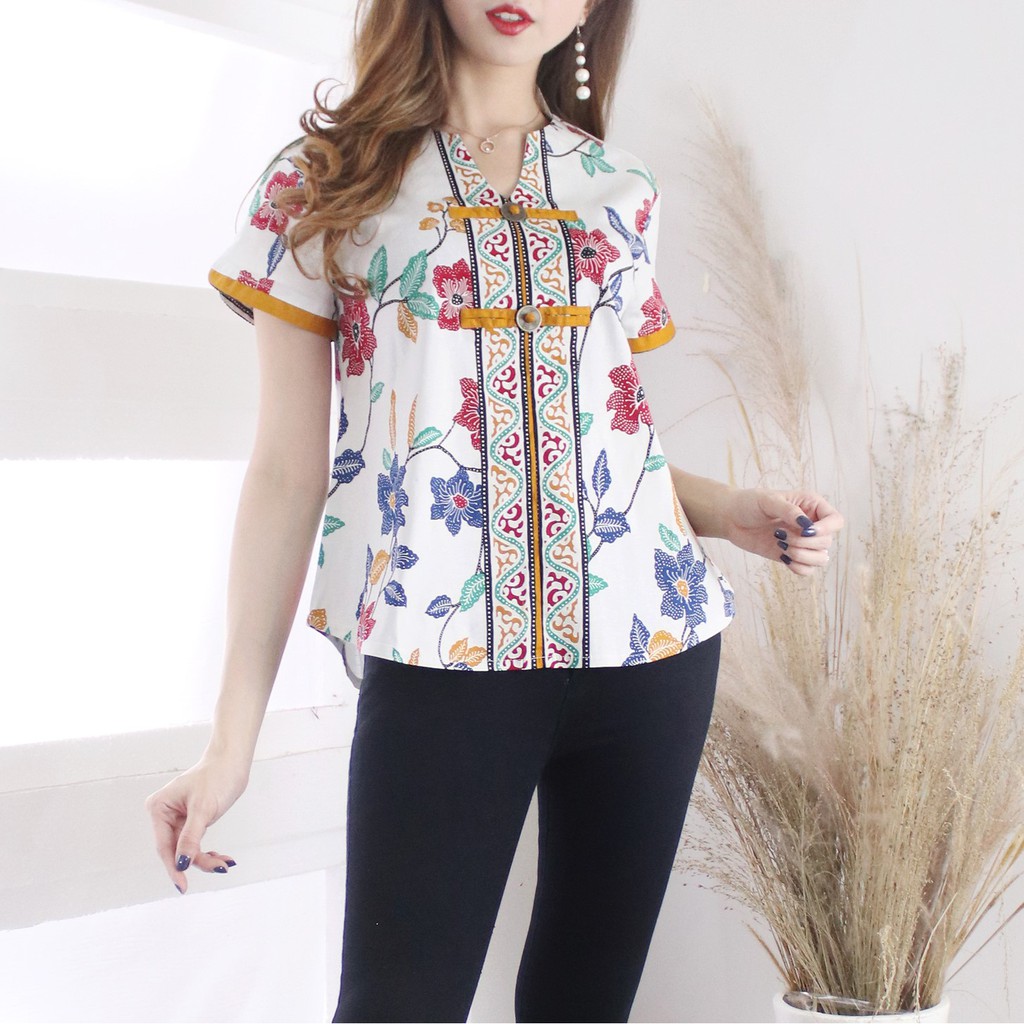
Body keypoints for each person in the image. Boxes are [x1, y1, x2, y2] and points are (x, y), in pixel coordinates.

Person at [145, 1, 843, 1020]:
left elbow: (606, 436)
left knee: (581, 1007)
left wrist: (730, 508)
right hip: (443, 664)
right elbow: (288, 473)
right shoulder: (323, 178)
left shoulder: (619, 187)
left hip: (651, 654)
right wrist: (229, 742)